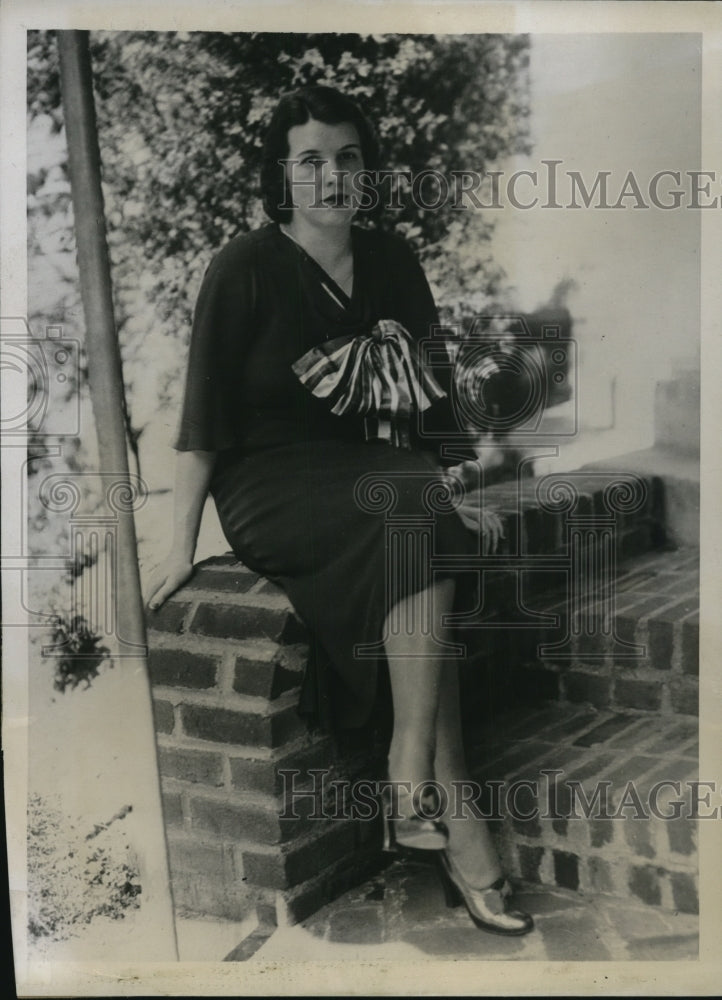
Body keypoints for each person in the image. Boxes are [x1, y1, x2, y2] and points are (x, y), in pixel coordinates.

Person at [146, 85, 533, 936]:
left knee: (420, 517)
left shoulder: (392, 261)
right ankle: (436, 792)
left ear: (368, 170)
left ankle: (419, 785)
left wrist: (452, 496)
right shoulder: (243, 267)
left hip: (370, 471)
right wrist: (180, 547)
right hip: (269, 484)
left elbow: (431, 403)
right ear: (282, 176)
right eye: (311, 160)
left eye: (348, 158)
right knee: (414, 519)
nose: (332, 176)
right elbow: (203, 422)